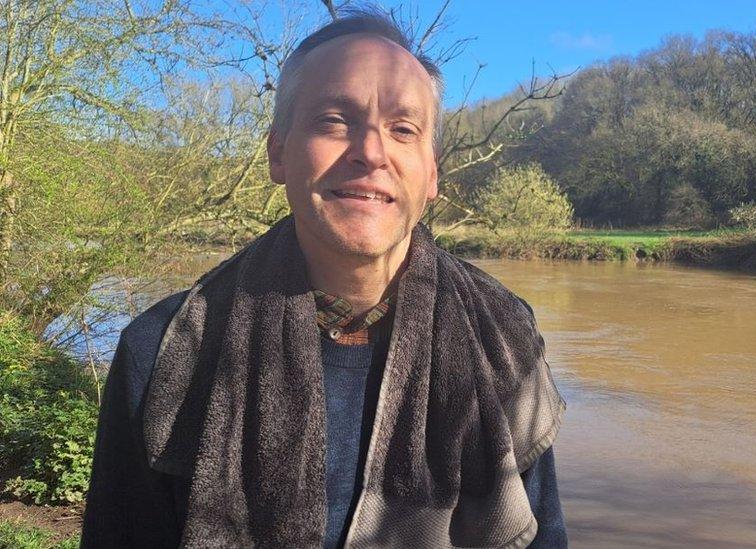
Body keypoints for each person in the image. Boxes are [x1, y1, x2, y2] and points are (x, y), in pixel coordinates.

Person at [81, 8, 567, 549]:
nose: (371, 152)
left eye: (403, 129)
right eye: (334, 121)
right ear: (277, 153)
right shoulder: (163, 352)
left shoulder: (504, 336)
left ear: (431, 173)